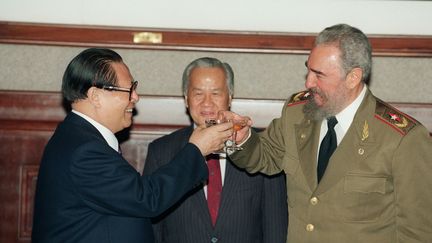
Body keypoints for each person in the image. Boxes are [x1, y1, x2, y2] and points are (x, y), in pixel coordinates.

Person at [225, 24, 432, 242]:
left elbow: (418, 232)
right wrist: (242, 139)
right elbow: (264, 156)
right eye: (308, 69)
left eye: (319, 74)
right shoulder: (297, 112)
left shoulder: (402, 139)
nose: (308, 82)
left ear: (353, 77)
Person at [31, 48, 233, 243]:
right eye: (129, 89)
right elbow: (147, 198)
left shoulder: (77, 137)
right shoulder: (84, 151)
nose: (136, 97)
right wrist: (196, 150)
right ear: (96, 96)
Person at [143, 57, 288, 243]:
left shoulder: (261, 148)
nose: (207, 103)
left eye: (216, 93)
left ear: (230, 97)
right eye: (198, 94)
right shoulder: (161, 152)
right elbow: (153, 229)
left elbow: (275, 227)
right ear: (186, 99)